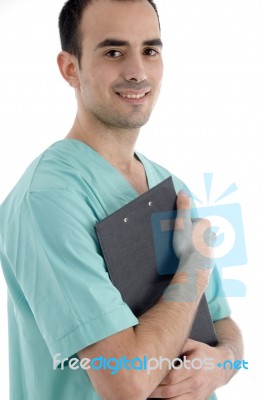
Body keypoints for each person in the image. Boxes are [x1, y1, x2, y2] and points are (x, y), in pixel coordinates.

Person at [0, 0, 243, 399]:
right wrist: (194, 271)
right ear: (70, 68)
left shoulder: (170, 184)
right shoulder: (47, 200)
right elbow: (125, 384)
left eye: (150, 50)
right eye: (114, 52)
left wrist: (222, 365)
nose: (137, 71)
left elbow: (222, 324)